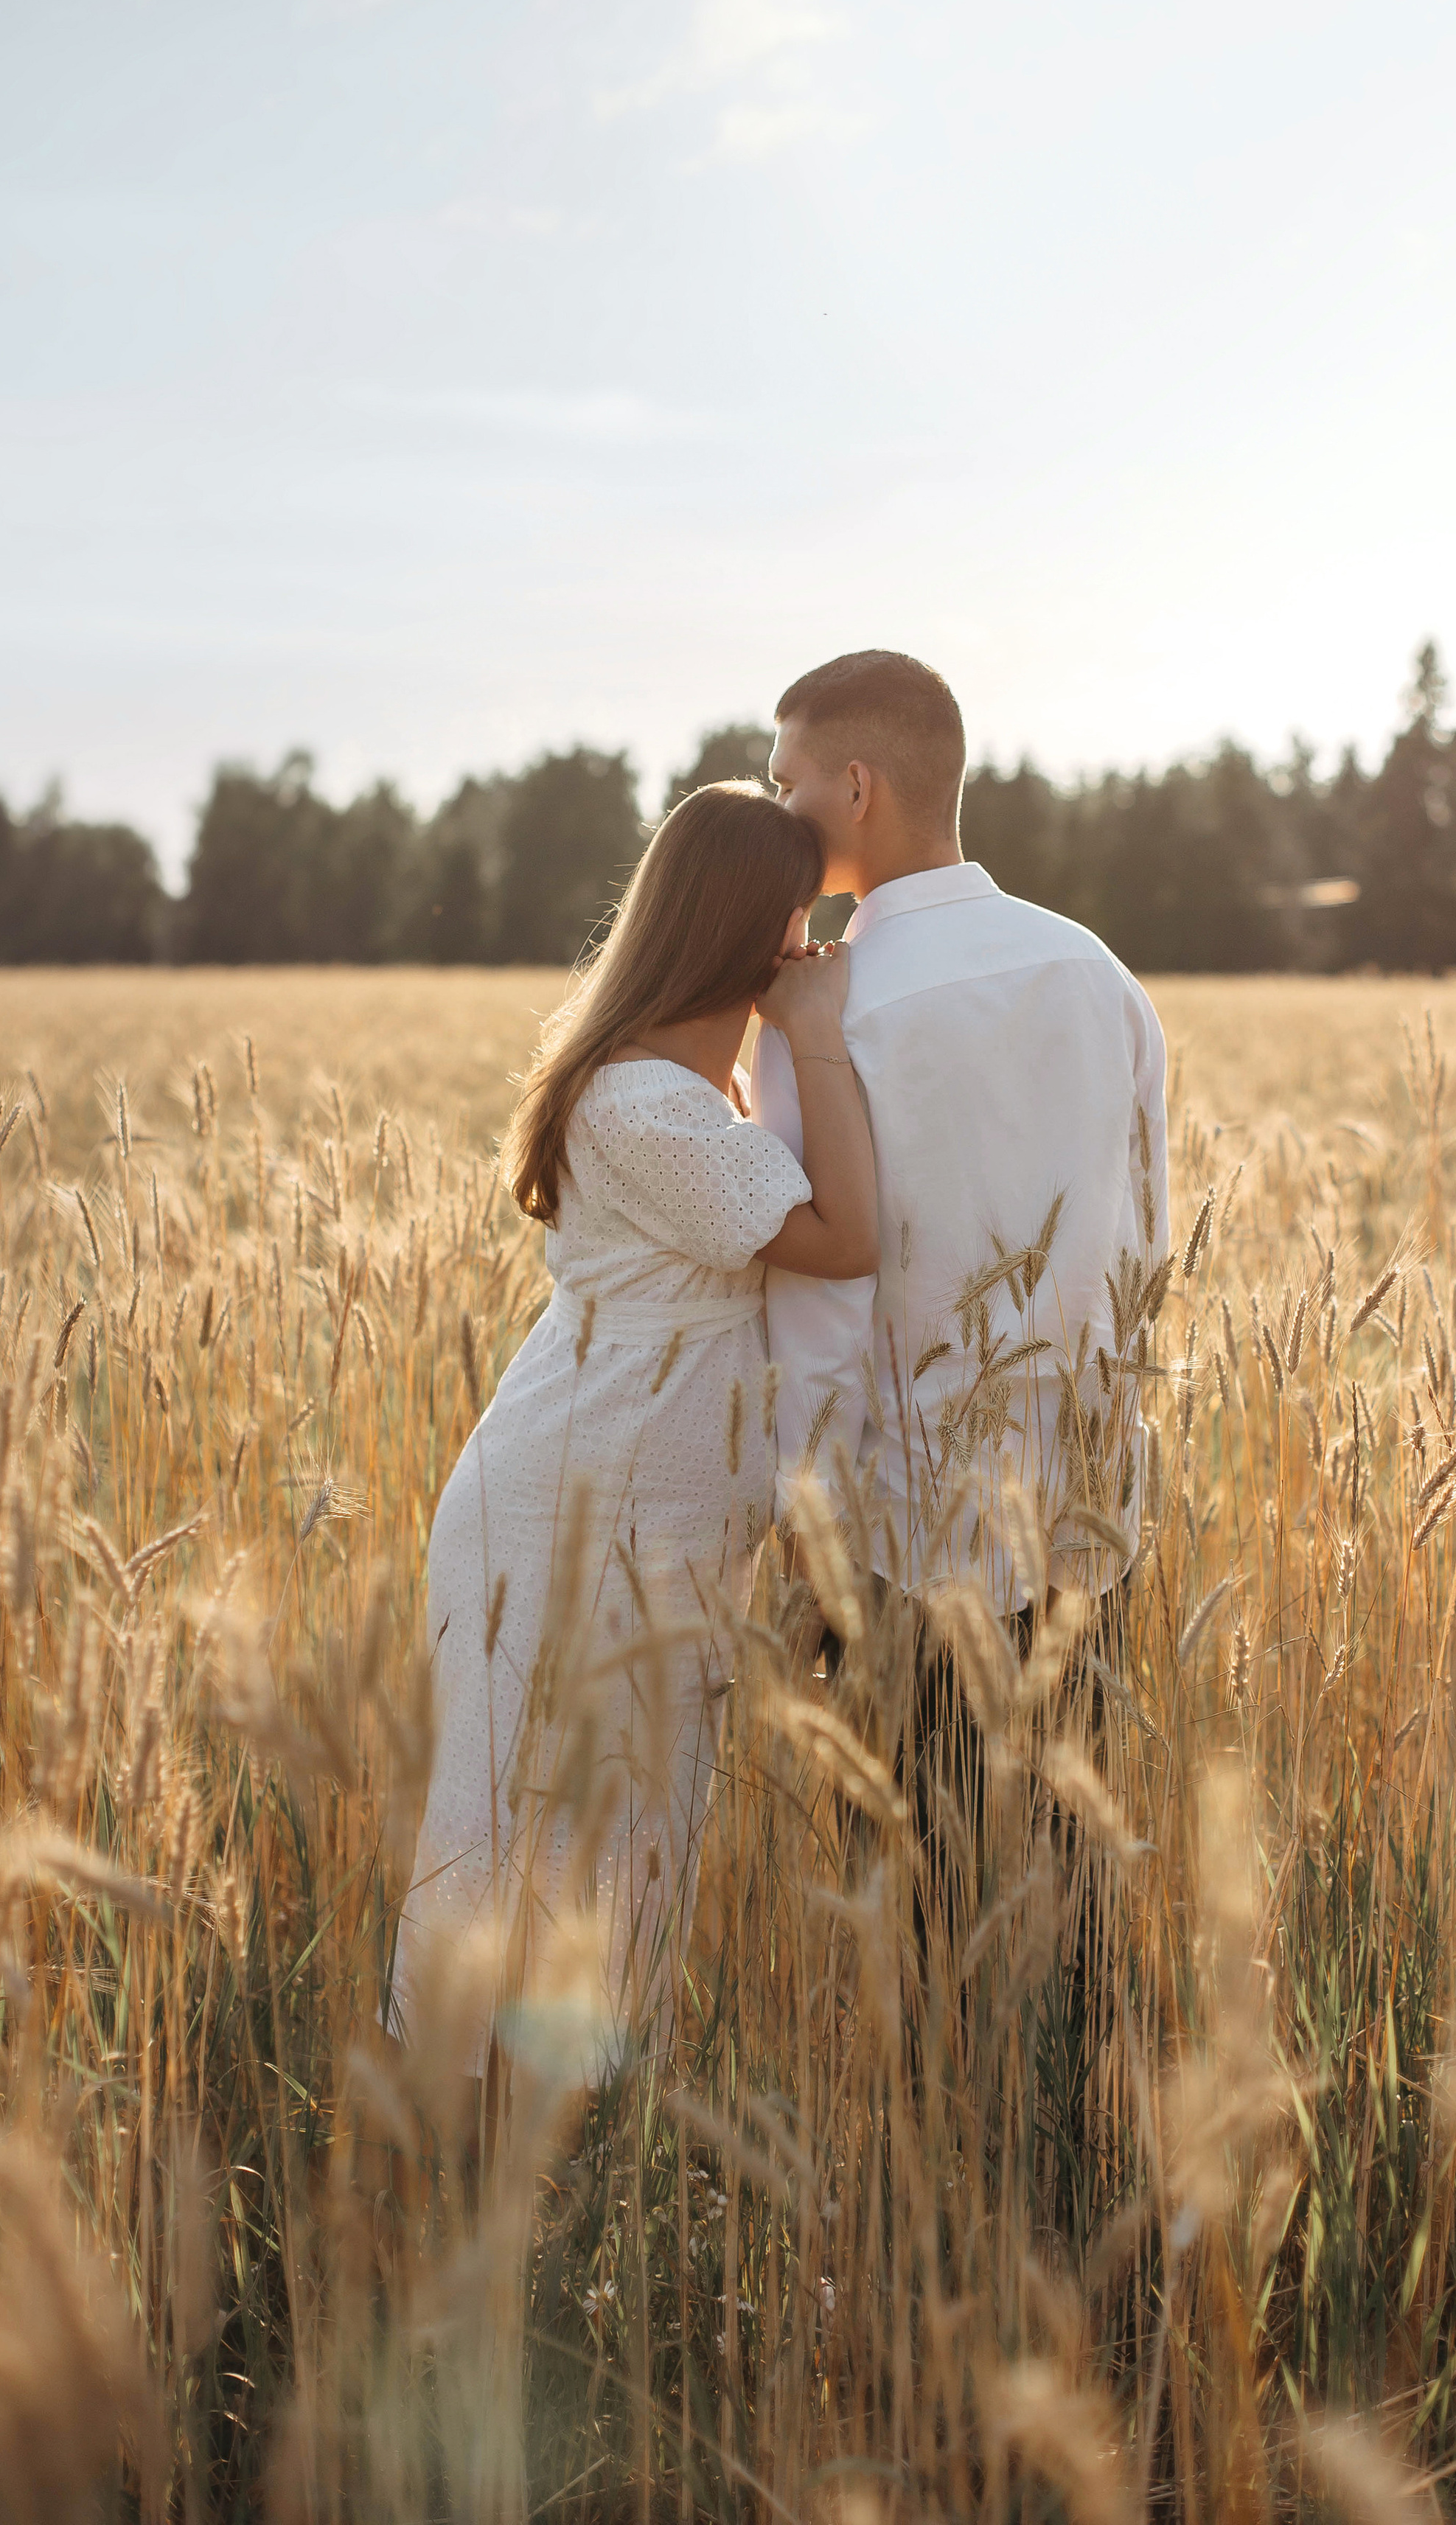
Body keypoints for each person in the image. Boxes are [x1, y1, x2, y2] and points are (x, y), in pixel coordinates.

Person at [390, 781, 877, 2078]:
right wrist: (820, 1034)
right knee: (529, 1832)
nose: (820, 945)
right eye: (809, 919)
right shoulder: (650, 1109)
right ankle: (479, 2130)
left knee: (619, 1835)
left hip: (640, 1525)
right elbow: (848, 1239)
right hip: (575, 1518)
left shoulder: (690, 1092)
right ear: (756, 928)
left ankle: (567, 2132)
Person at [753, 649, 1170, 1594]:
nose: (777, 810)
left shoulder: (818, 1011)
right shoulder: (1098, 972)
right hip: (1088, 1528)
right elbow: (1141, 1249)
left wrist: (808, 1516)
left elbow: (819, 1304)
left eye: (786, 783)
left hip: (903, 1538)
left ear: (855, 788)